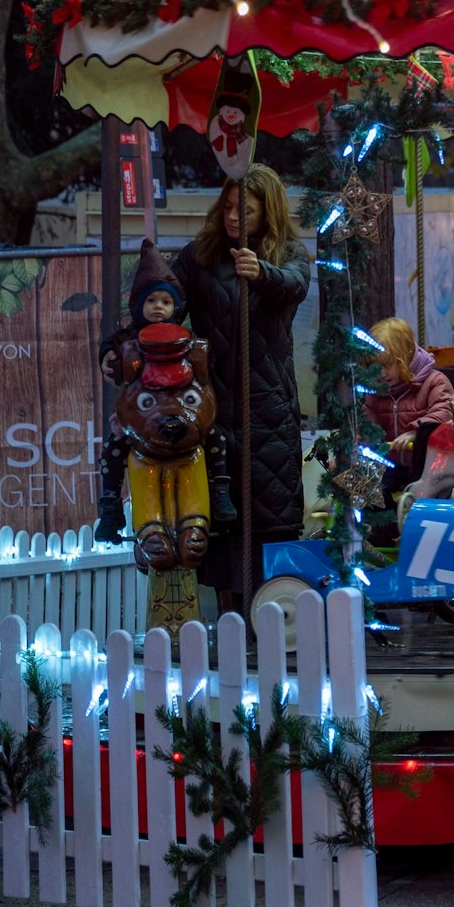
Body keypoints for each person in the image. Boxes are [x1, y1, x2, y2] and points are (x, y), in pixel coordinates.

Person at [170, 165, 310, 614]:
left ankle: (272, 609)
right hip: (214, 406)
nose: (232, 217)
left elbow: (295, 283)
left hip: (268, 407)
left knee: (270, 514)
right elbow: (166, 303)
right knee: (219, 519)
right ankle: (227, 613)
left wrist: (262, 273)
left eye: (243, 210)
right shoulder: (201, 256)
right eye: (227, 207)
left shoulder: (289, 251)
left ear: (266, 212)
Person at [96, 240, 238, 541]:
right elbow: (109, 347)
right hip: (141, 418)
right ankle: (110, 506)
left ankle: (220, 489)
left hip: (183, 414)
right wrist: (107, 355)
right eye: (150, 301)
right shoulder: (128, 338)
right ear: (138, 305)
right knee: (114, 446)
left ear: (176, 307)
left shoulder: (187, 340)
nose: (158, 307)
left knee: (216, 436)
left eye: (165, 301)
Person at [363, 317, 454, 498]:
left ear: (404, 358)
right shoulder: (375, 392)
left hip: (428, 466)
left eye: (386, 365)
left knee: (424, 500)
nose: (380, 373)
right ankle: (383, 525)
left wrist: (416, 431)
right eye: (375, 367)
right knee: (374, 495)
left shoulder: (434, 382)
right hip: (391, 464)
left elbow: (445, 412)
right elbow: (367, 420)